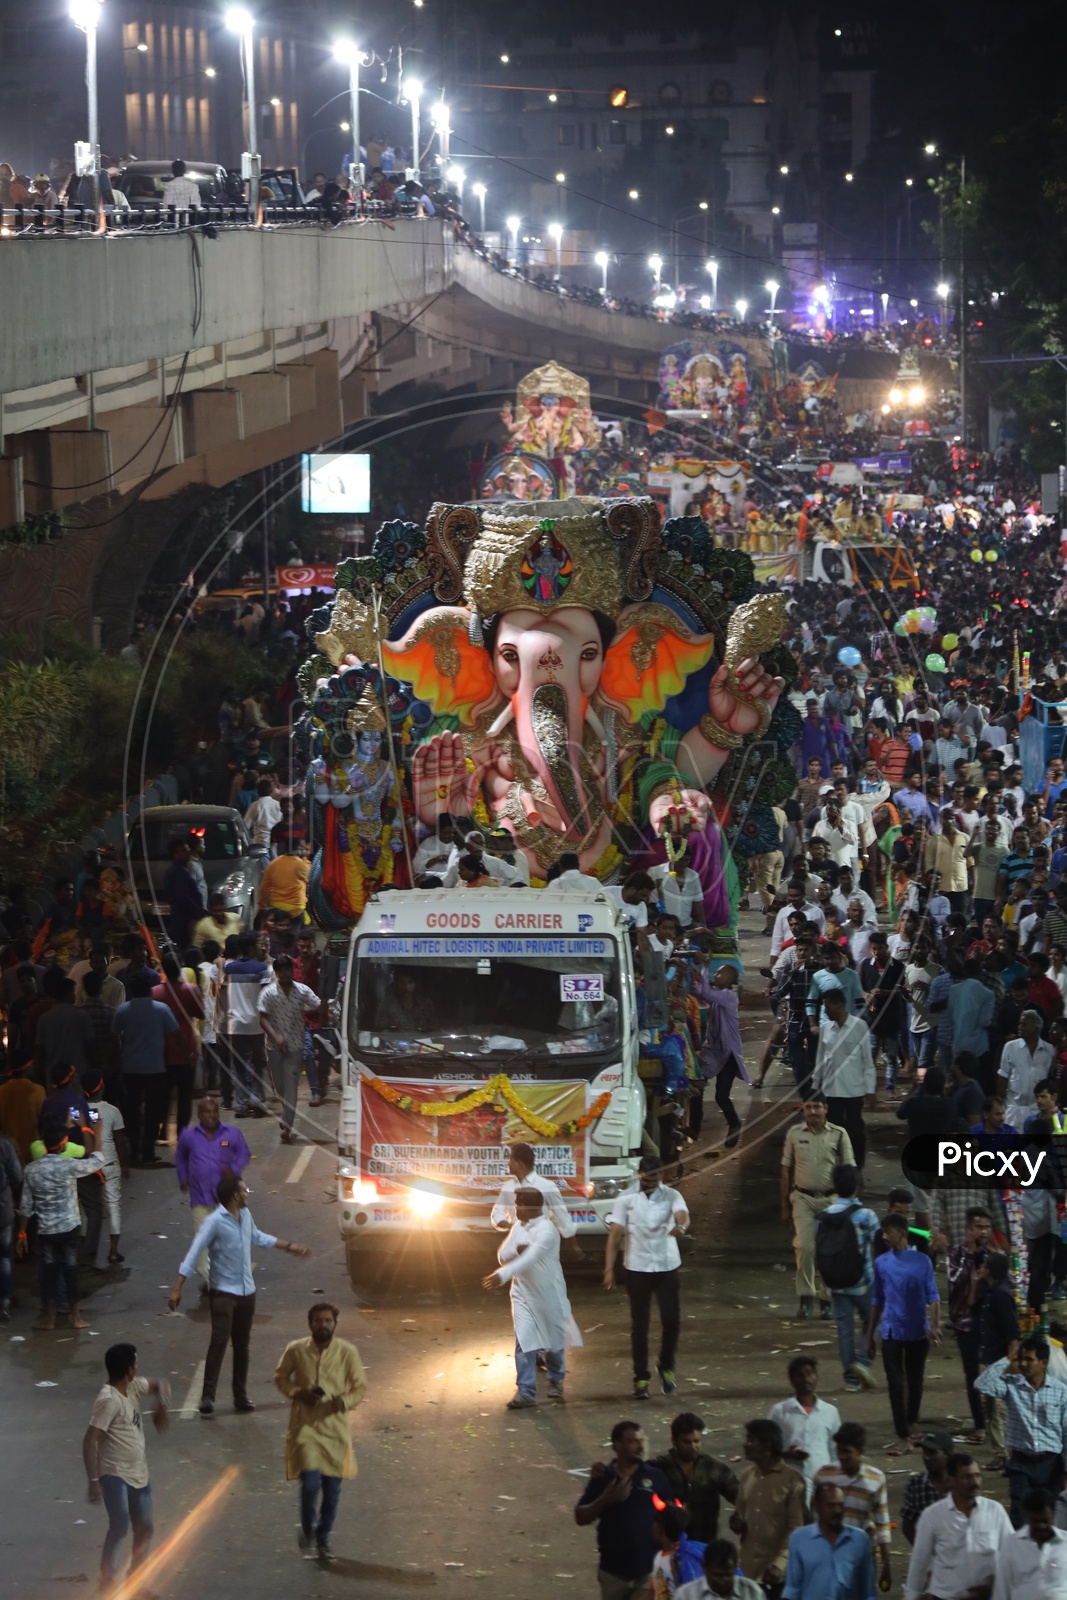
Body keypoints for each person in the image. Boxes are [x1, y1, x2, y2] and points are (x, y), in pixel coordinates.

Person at [167, 1171, 309, 1415]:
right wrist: (177, 1287)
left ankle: (240, 1396)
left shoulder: (244, 1215)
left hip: (247, 1292)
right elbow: (193, 1253)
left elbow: (257, 1237)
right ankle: (208, 1397)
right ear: (234, 1196)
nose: (247, 1194)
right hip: (223, 1293)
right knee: (220, 1342)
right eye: (244, 1191)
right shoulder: (213, 1223)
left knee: (242, 1347)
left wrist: (288, 1246)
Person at [273, 1302, 368, 1562]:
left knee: (332, 1490)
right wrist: (297, 1393)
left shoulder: (348, 1352)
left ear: (335, 1324)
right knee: (310, 1485)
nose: (322, 1325)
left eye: (327, 1321)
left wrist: (344, 1402)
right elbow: (280, 1377)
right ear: (310, 1324)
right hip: (305, 1426)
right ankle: (308, 1526)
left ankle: (323, 1537)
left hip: (335, 1429)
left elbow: (360, 1386)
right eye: (318, 1320)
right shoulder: (296, 1349)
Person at [82, 1342, 170, 1593]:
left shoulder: (131, 1387)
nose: (138, 1368)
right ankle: (107, 1579)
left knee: (145, 1528)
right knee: (120, 1524)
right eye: (135, 1363)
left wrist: (161, 1404)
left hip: (138, 1473)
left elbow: (160, 1383)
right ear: (128, 1369)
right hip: (114, 1474)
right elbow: (90, 1440)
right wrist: (94, 1481)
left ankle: (136, 1580)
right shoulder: (108, 1400)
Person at [484, 1187, 582, 1407]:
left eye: (518, 1204)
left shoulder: (547, 1231)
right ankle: (526, 1391)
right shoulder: (518, 1226)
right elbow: (503, 1255)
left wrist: (503, 1274)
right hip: (522, 1293)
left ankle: (556, 1380)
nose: (515, 1208)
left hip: (548, 1294)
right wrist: (516, 1252)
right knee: (524, 1340)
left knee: (553, 1344)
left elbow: (529, 1258)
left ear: (530, 1207)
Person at [604, 1155, 689, 1399]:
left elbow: (682, 1214)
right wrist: (609, 1268)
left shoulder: (672, 1195)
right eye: (647, 1179)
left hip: (666, 1265)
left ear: (662, 1175)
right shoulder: (626, 1198)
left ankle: (667, 1367)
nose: (651, 1184)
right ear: (639, 1175)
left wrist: (681, 1227)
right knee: (639, 1326)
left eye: (656, 1178)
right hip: (637, 1268)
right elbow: (615, 1234)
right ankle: (641, 1377)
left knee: (671, 1321)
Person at [16, 1120, 104, 1329]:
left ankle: (49, 1318)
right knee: (70, 1272)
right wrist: (97, 1133)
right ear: (63, 1145)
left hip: (46, 1231)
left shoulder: (32, 1170)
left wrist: (21, 1234)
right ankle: (76, 1317)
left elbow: (26, 1205)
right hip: (69, 1229)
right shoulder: (69, 1166)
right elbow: (97, 1161)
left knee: (49, 1274)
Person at [867, 1212, 941, 1454]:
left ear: (902, 1233)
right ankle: (904, 1435)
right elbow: (877, 1300)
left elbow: (933, 1296)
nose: (885, 1236)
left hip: (918, 1332)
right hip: (890, 1331)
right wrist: (869, 1335)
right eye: (883, 1232)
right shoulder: (881, 1263)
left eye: (889, 1231)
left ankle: (910, 1422)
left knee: (916, 1383)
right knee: (895, 1385)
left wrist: (935, 1325)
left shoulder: (922, 1261)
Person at [575, 1418, 673, 1600]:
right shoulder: (603, 1478)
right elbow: (580, 1516)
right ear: (618, 1445)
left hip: (648, 1570)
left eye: (642, 1440)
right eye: (633, 1441)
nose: (640, 1446)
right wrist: (606, 1499)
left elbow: (672, 1513)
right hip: (613, 1572)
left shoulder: (655, 1476)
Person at [975, 1334, 1067, 1525]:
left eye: (1029, 1359)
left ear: (1043, 1363)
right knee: (1020, 1514)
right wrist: (1008, 1358)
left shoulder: (1061, 1391)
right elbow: (981, 1384)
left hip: (1051, 1465)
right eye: (1021, 1359)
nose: (1023, 1364)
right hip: (1021, 1463)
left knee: (1051, 1516)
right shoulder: (1011, 1386)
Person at [780, 1095, 856, 1320]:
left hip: (832, 1200)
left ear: (826, 1109)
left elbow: (849, 1170)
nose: (812, 1111)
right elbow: (785, 1169)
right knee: (805, 1246)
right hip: (802, 1198)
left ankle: (826, 1299)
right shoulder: (794, 1134)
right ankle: (805, 1298)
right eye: (809, 1107)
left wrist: (850, 1203)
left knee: (830, 1251)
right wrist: (784, 1203)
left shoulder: (839, 1134)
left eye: (817, 1107)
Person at [903, 1451, 1011, 1600]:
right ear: (951, 1480)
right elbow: (919, 1564)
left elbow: (1011, 1556)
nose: (975, 1482)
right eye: (967, 1477)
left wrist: (995, 1587)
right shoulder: (932, 1516)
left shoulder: (995, 1511)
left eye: (978, 1475)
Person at [174, 1096, 250, 1294]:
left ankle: (219, 1281)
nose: (212, 1115)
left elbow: (244, 1154)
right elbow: (180, 1156)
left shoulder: (232, 1133)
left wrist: (234, 1168)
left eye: (215, 1111)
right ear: (199, 1115)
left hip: (226, 1201)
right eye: (207, 1112)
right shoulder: (189, 1136)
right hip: (200, 1199)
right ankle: (218, 1282)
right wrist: (183, 1176)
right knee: (202, 1245)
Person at [818, 1164, 879, 1391]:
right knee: (874, 1322)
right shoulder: (866, 1215)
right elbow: (879, 1247)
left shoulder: (823, 1217)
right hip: (863, 1282)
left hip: (835, 1283)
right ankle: (862, 1362)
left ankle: (850, 1379)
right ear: (856, 1186)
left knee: (844, 1328)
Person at [729, 1418, 806, 1596]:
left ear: (767, 1446)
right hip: (747, 1573)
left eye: (751, 1440)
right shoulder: (747, 1475)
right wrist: (736, 1523)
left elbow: (797, 1529)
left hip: (775, 1577)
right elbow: (738, 1520)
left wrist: (780, 1564)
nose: (745, 1444)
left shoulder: (791, 1480)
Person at [812, 1422, 891, 1590]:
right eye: (839, 1450)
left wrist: (886, 1563)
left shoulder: (876, 1479)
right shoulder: (823, 1476)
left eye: (847, 1452)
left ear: (861, 1452)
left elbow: (882, 1523)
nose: (842, 1456)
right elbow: (815, 1517)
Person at [111, 973, 179, 1166]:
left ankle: (134, 1150)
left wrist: (109, 1061)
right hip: (155, 1068)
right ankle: (148, 1152)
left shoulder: (122, 1011)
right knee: (152, 1112)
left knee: (131, 1110)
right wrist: (188, 1055)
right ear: (150, 990)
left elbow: (113, 1038)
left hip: (130, 1068)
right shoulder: (161, 1009)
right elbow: (176, 1033)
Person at [258, 955, 322, 1145]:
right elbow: (262, 1018)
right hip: (273, 1047)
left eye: (289, 969)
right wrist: (275, 1037)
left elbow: (318, 1005)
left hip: (295, 1045)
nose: (286, 973)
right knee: (279, 1086)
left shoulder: (302, 991)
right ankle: (287, 1114)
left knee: (291, 1084)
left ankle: (287, 1125)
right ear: (276, 973)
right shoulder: (268, 993)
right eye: (282, 970)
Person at [650, 1412, 739, 1545]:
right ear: (674, 1441)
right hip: (670, 1548)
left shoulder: (714, 1468)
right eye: (686, 1442)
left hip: (705, 1548)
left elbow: (740, 1496)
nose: (693, 1447)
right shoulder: (660, 1468)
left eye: (697, 1441)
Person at [812, 986, 876, 1169]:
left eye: (827, 1006)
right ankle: (837, 1169)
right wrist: (816, 1085)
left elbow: (867, 1060)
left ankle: (857, 1169)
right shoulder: (826, 1029)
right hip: (831, 1091)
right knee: (832, 1132)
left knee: (856, 1132)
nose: (825, 1011)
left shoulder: (859, 1026)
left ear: (839, 1005)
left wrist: (870, 1090)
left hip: (854, 1090)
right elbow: (820, 1058)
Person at [781, 1480, 876, 1600]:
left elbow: (868, 1591)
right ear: (816, 1505)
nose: (837, 1511)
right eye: (831, 1505)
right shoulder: (799, 1539)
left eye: (840, 1505)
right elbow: (792, 1590)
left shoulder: (859, 1539)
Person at [768, 1356, 841, 1500]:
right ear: (792, 1380)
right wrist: (786, 1454)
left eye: (809, 1374)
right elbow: (767, 1448)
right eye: (800, 1375)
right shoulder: (779, 1411)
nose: (806, 1379)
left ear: (816, 1377)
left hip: (821, 1480)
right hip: (788, 1481)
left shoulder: (830, 1412)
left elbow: (834, 1449)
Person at [221, 931, 271, 1117]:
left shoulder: (230, 968)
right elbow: (267, 996)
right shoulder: (261, 969)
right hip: (256, 1024)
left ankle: (241, 1104)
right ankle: (256, 1099)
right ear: (251, 947)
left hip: (236, 1023)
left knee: (239, 1065)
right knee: (259, 1063)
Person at [82, 1071, 129, 1269]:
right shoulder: (113, 1111)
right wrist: (125, 1165)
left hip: (86, 1167)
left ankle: (85, 1250)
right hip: (109, 1164)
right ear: (101, 1087)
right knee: (113, 1206)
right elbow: (120, 1142)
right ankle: (113, 1251)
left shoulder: (77, 1111)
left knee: (85, 1209)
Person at [490, 1140, 577, 1242]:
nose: (508, 1163)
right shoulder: (508, 1187)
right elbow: (496, 1214)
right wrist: (511, 1227)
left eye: (511, 1160)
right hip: (515, 1244)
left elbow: (563, 1218)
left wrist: (572, 1246)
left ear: (519, 1164)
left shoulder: (547, 1186)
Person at [991, 1486, 1067, 1599]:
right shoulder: (1012, 1544)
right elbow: (1002, 1590)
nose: (1041, 1526)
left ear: (1054, 1515)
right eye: (1036, 1521)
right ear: (1027, 1516)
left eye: (1045, 1521)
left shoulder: (1065, 1543)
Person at [999, 1008, 1056, 1130]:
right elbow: (1003, 1077)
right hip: (1013, 1110)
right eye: (1020, 1023)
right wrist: (1001, 1106)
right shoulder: (1010, 1047)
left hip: (1038, 1110)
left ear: (1036, 1028)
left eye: (1024, 1024)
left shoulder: (1049, 1051)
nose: (1020, 1027)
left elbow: (1051, 1079)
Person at [900, 1430, 953, 1545]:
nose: (926, 1457)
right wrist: (922, 1551)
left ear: (947, 1455)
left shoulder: (960, 1484)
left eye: (932, 1453)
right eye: (924, 1452)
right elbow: (907, 1524)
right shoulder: (917, 1483)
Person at [675, 1539, 764, 1600]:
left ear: (736, 1567)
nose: (723, 1581)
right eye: (717, 1575)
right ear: (704, 1567)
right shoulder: (686, 1595)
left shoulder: (752, 1592)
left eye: (728, 1574)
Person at [162, 838, 204, 951]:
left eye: (188, 849)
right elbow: (182, 897)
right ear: (175, 854)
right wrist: (197, 911)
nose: (188, 853)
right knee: (186, 948)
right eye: (184, 850)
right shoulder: (179, 872)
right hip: (184, 919)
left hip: (182, 918)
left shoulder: (179, 870)